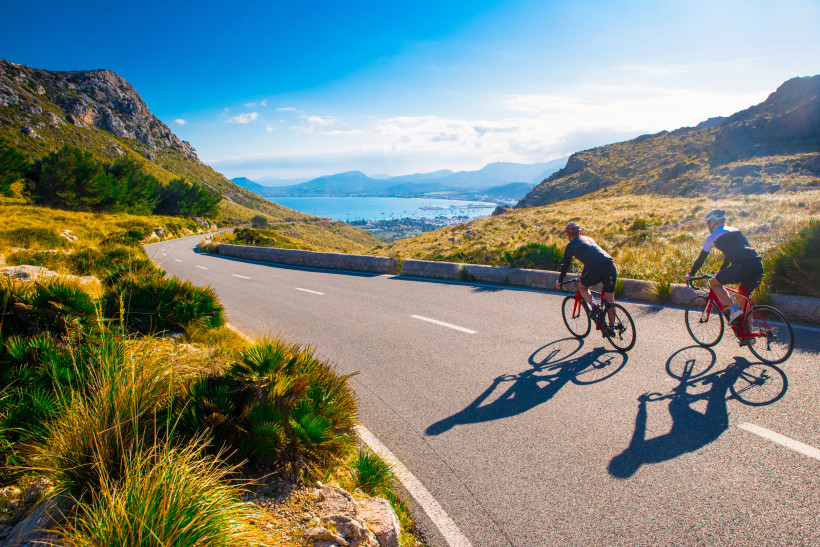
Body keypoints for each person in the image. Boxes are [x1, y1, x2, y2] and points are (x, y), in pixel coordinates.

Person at [684, 209, 763, 330]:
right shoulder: (735, 230)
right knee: (742, 297)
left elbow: (701, 259)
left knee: (713, 283)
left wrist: (691, 274)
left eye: (708, 223)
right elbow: (732, 255)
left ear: (712, 223)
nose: (707, 226)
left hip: (742, 267)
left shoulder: (713, 237)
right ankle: (748, 335)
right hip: (757, 265)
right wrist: (721, 271)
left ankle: (733, 309)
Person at [554, 222, 618, 330]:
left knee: (582, 287)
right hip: (611, 266)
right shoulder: (588, 239)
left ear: (569, 235)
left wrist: (560, 281)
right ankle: (612, 327)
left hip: (598, 269)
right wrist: (583, 274)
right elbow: (591, 258)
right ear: (580, 232)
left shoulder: (571, 246)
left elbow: (565, 265)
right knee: (610, 301)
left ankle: (594, 307)